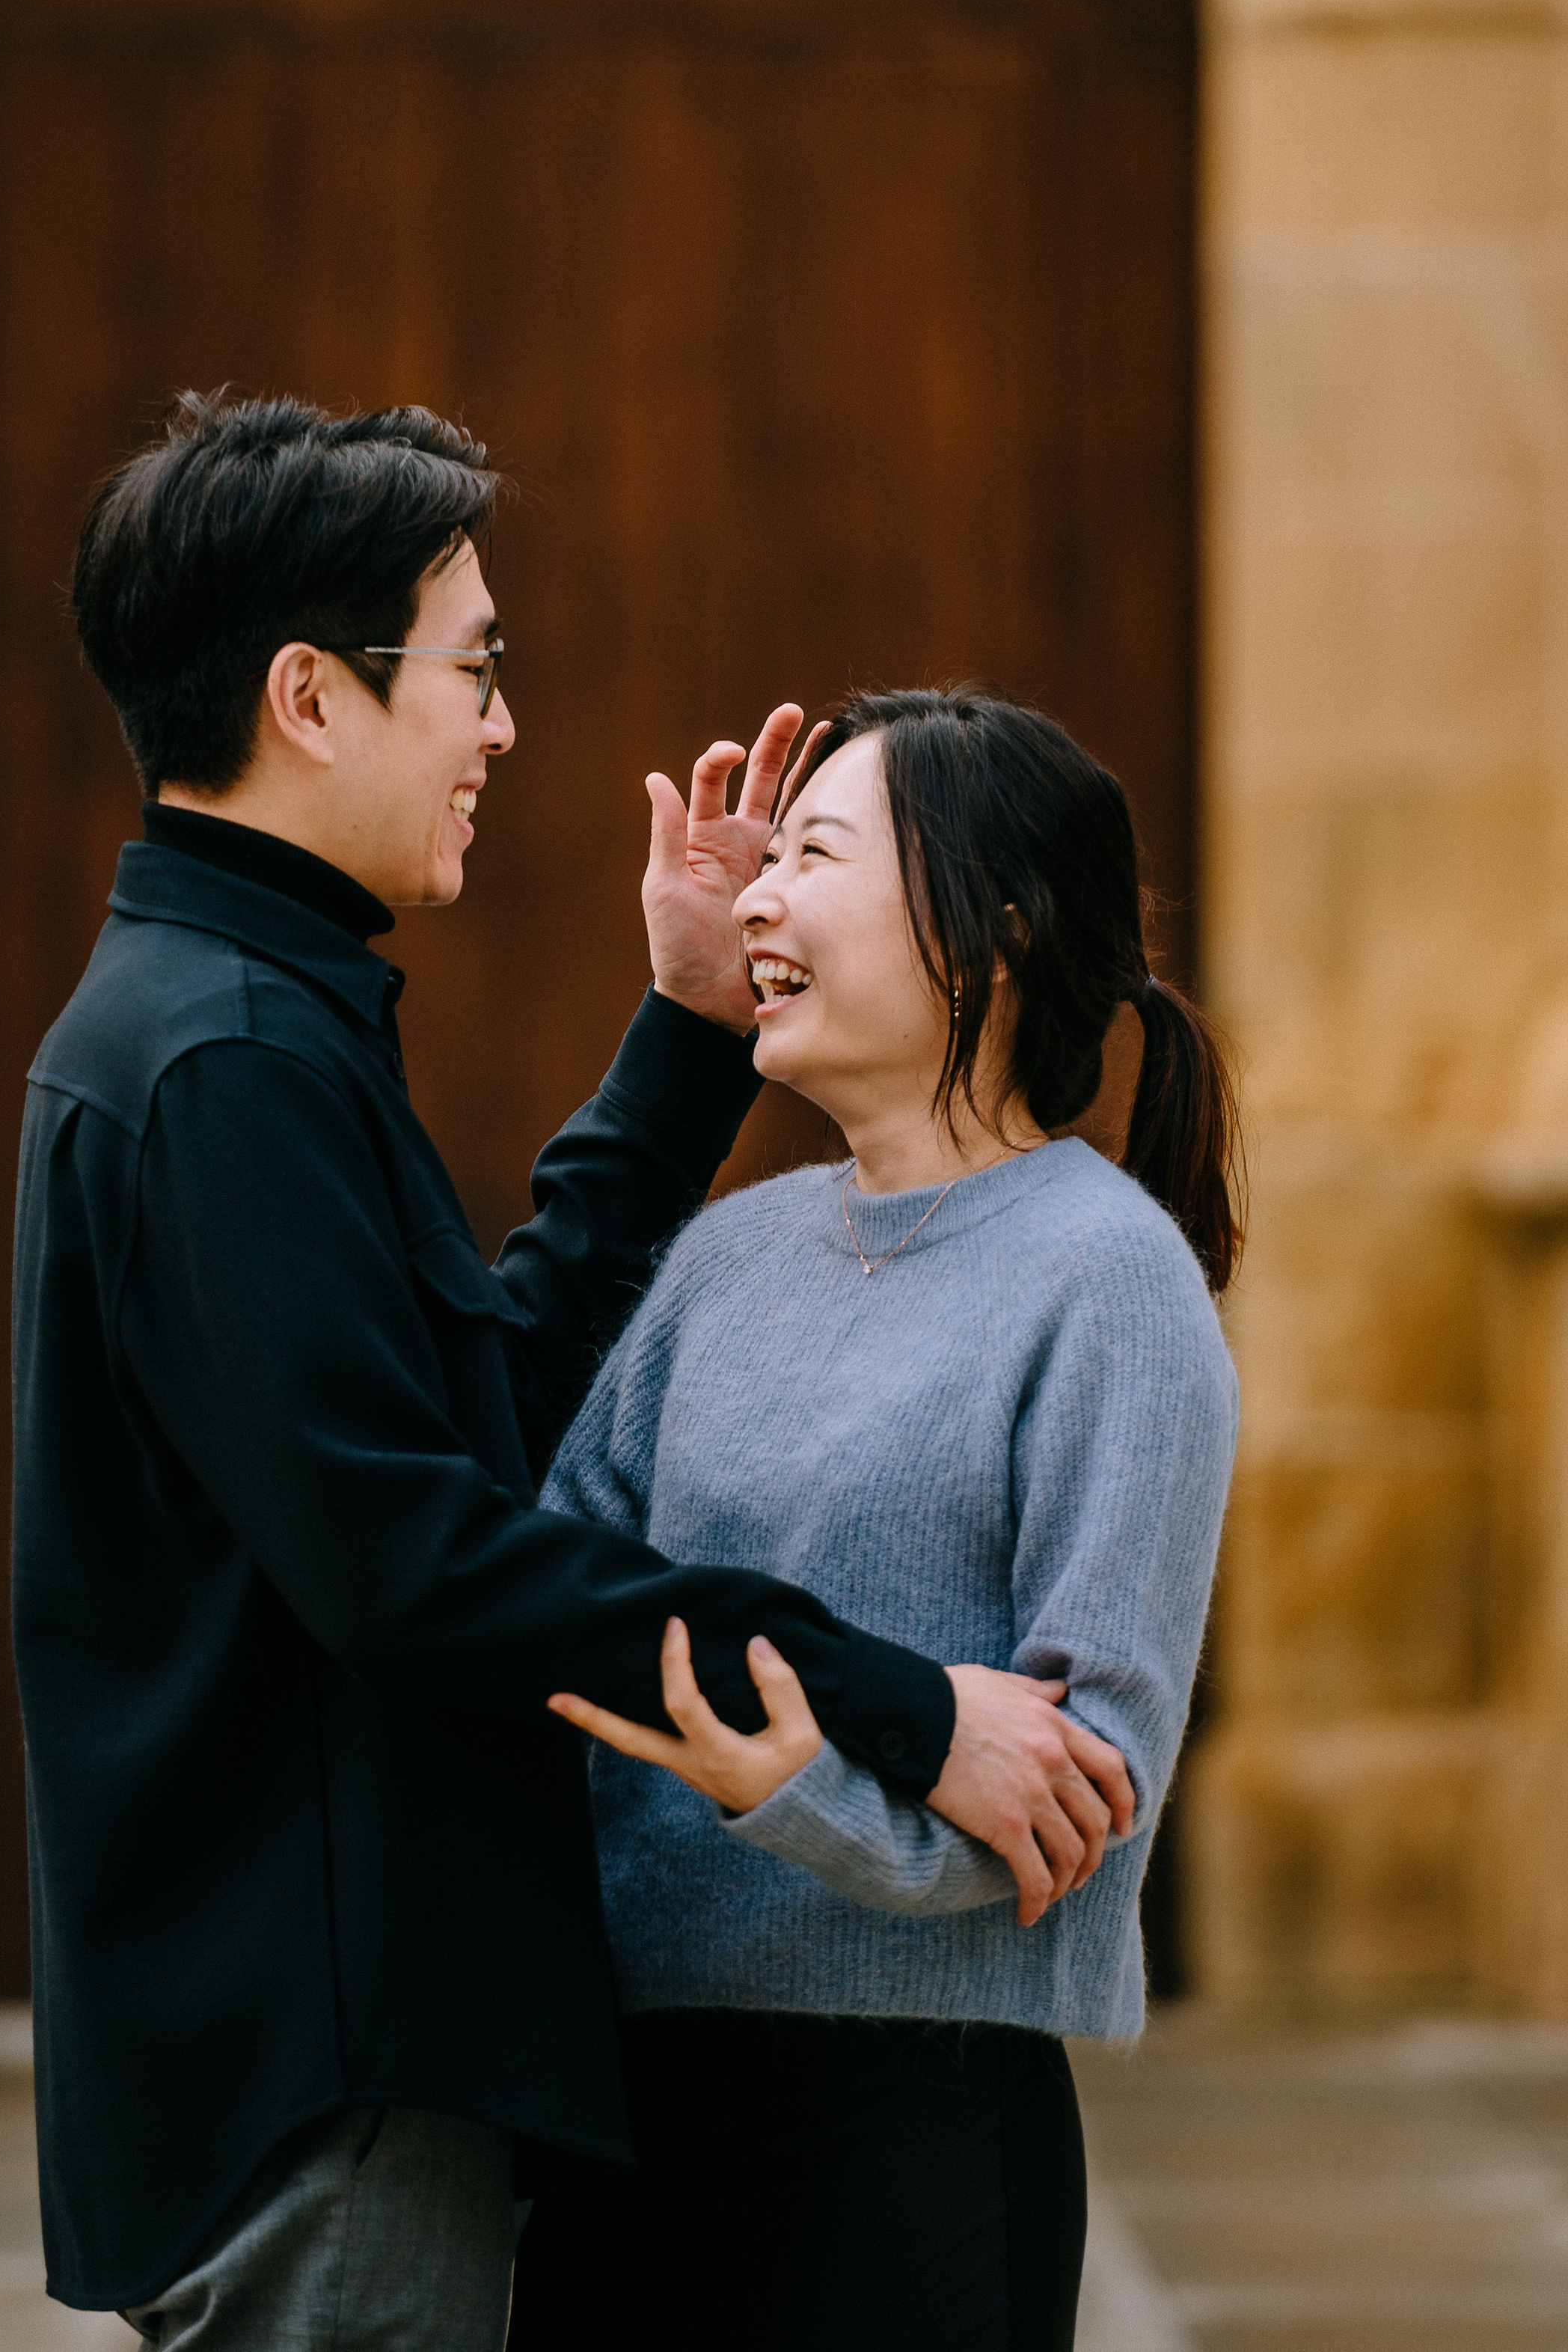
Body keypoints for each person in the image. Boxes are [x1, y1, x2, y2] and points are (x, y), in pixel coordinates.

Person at [11, 400, 1133, 2348]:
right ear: (309, 694)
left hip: (359, 2058)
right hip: (320, 2079)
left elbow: (483, 1430)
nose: (504, 726)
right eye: (474, 665)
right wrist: (895, 1706)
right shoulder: (224, 1062)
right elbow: (430, 1563)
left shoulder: (258, 1019)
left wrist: (689, 1034)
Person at [509, 686, 1241, 2352]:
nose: (752, 900)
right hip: (629, 2109)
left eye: (809, 856)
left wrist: (807, 1795)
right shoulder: (722, 1257)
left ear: (987, 930)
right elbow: (555, 1585)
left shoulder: (1107, 1281)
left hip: (909, 2133)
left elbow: (1088, 1783)